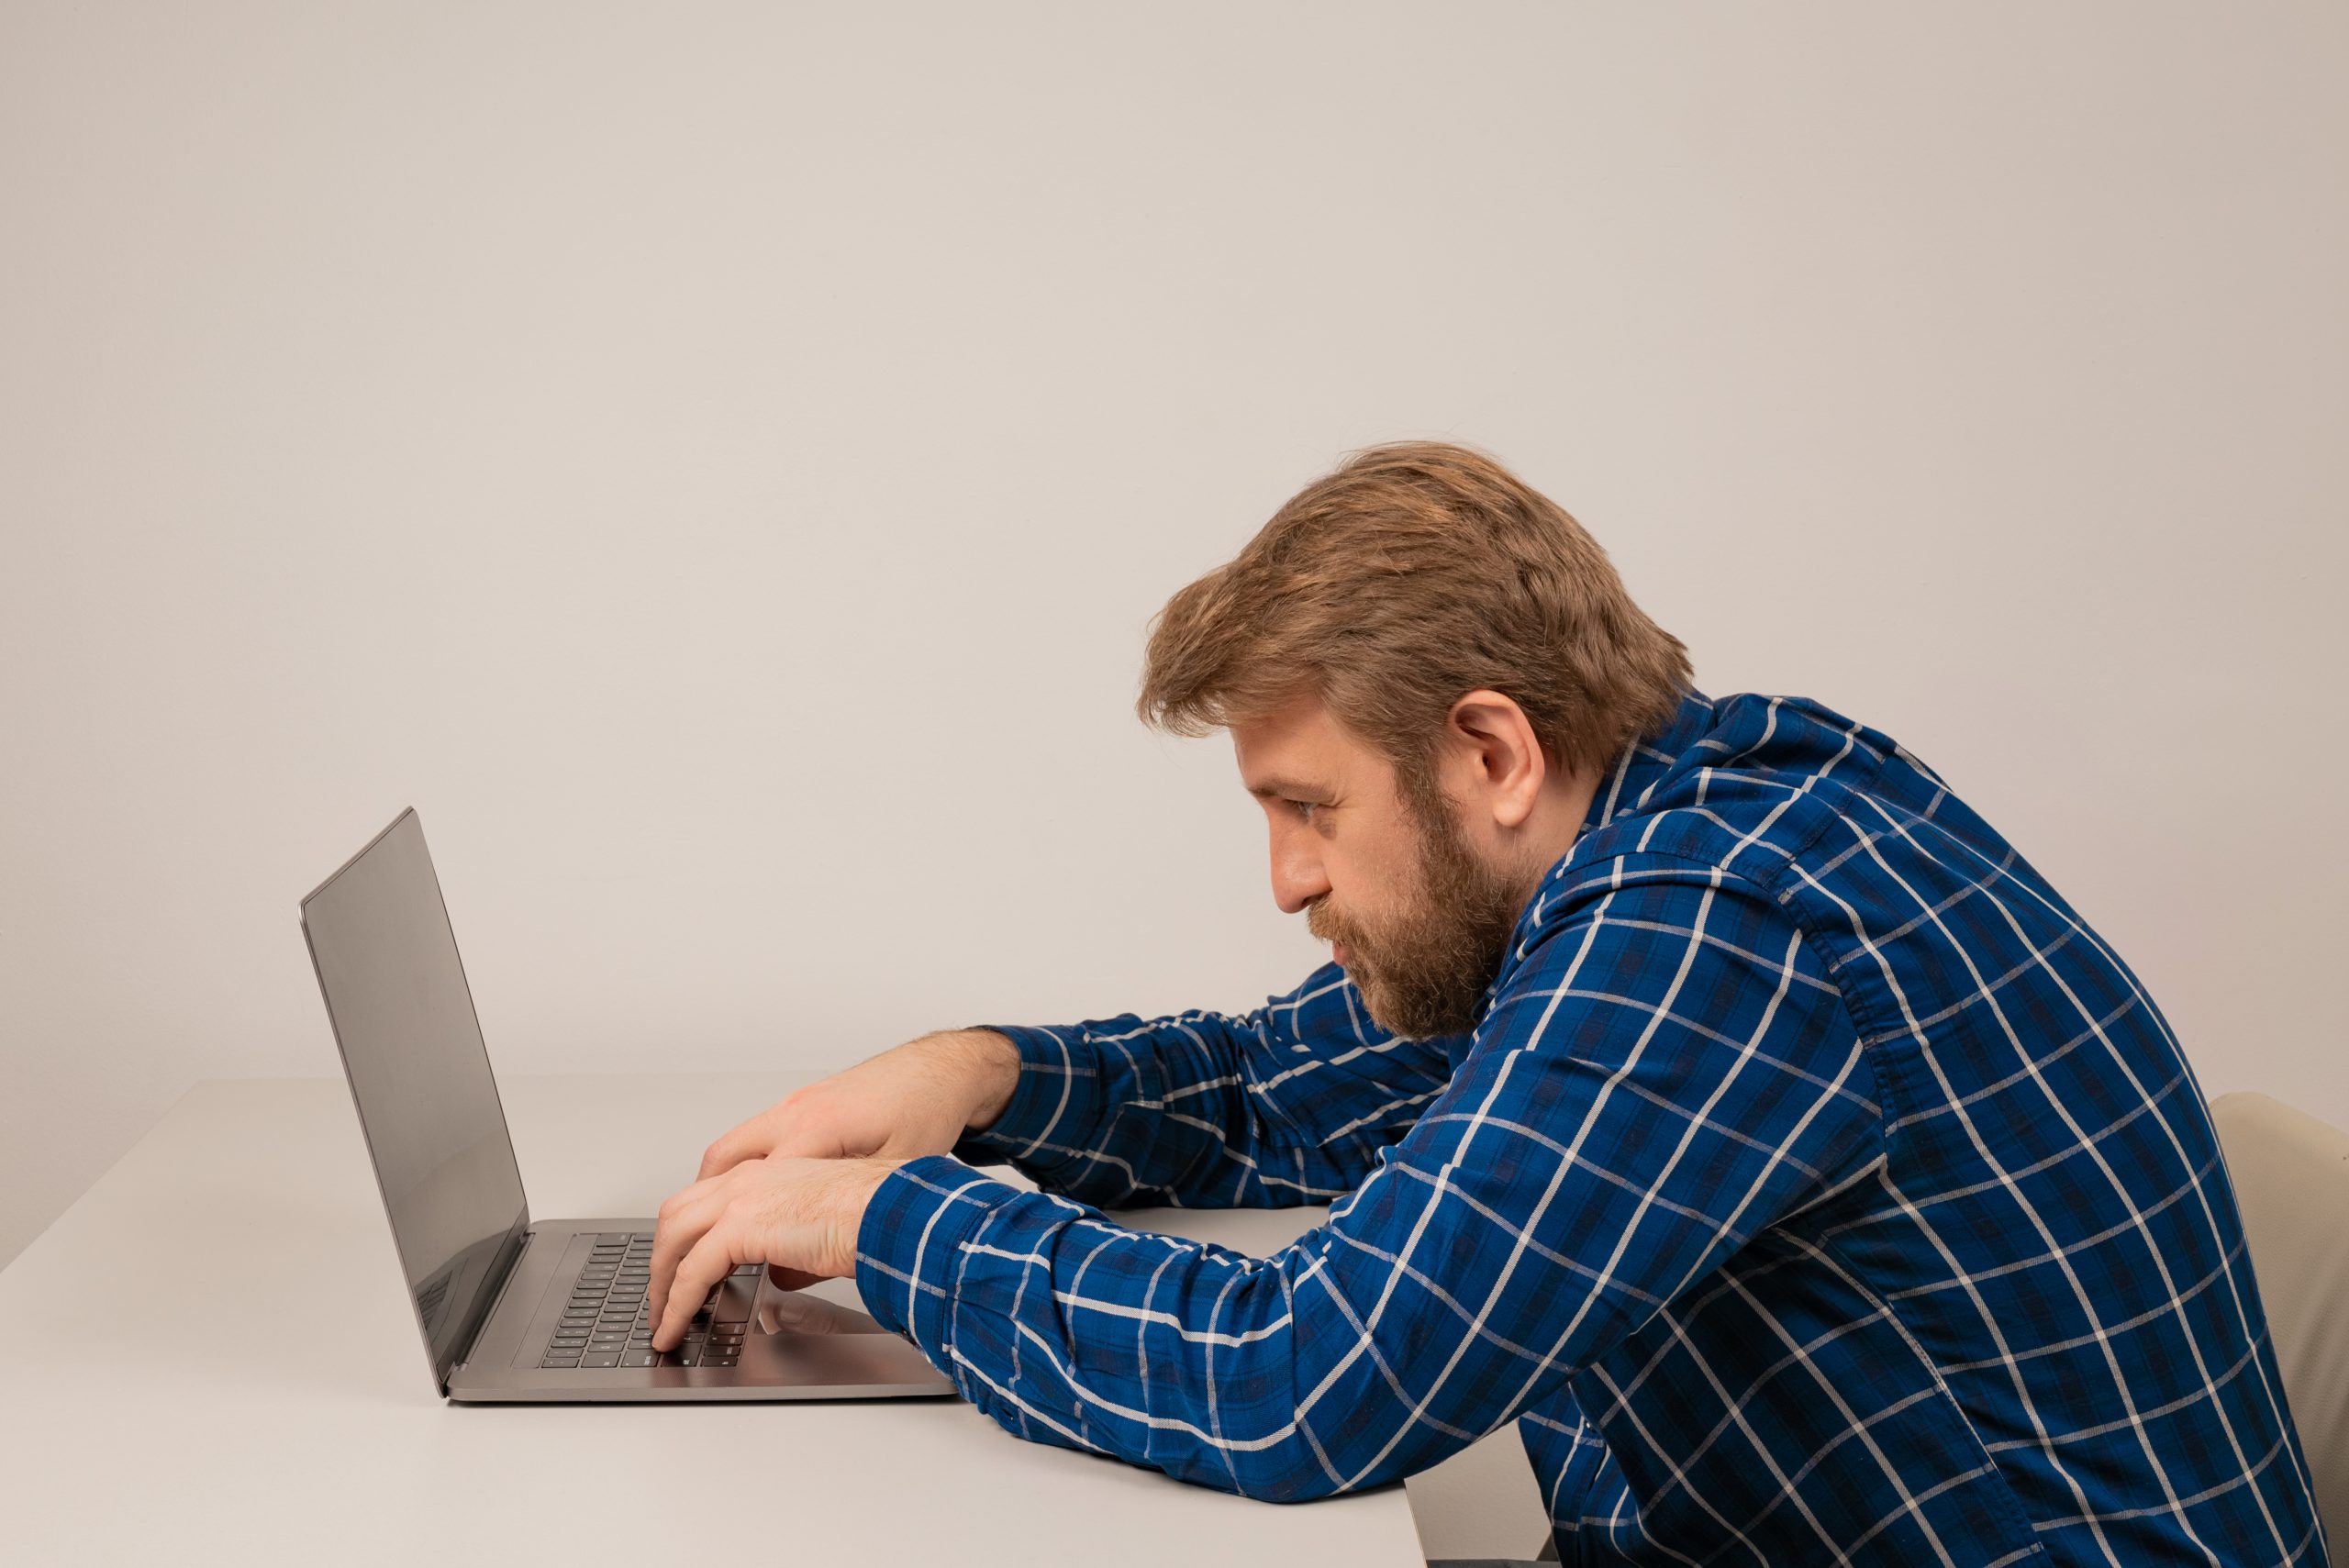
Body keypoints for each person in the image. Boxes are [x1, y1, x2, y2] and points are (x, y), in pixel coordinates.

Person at [643, 442, 2327, 1566]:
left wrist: (892, 1223)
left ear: (1493, 752)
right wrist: (979, 1077)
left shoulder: (1722, 928)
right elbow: (1266, 1095)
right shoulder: (1657, 836)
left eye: (1310, 807)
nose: (1287, 883)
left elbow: (1304, 1379)